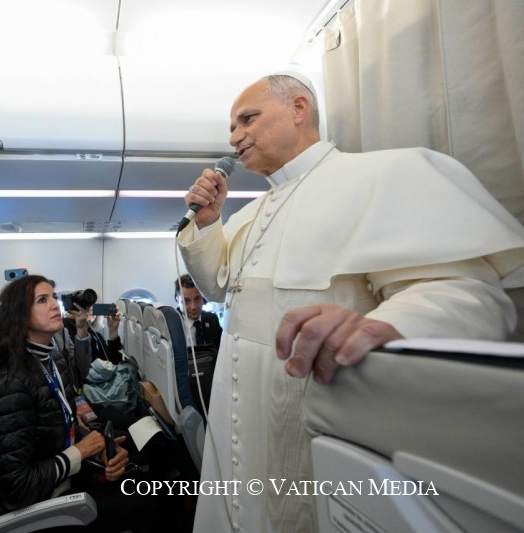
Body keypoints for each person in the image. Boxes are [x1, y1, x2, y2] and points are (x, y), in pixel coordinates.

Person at [178, 73, 524, 532]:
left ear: (298, 109)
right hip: (235, 428)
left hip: (314, 429)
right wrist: (208, 223)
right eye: (231, 127)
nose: (234, 136)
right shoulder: (250, 213)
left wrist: (389, 323)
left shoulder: (385, 175)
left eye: (248, 119)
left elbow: (466, 292)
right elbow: (221, 287)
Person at [0, 275, 168, 532]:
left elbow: (63, 425)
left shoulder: (53, 360)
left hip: (63, 476)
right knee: (153, 499)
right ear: (20, 315)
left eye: (53, 297)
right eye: (42, 300)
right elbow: (16, 487)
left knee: (146, 475)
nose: (55, 304)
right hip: (42, 504)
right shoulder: (9, 383)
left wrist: (99, 448)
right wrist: (81, 451)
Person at [174, 274, 223, 350]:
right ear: (177, 300)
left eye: (197, 299)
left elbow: (221, 349)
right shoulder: (171, 324)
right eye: (186, 301)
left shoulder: (212, 319)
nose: (193, 307)